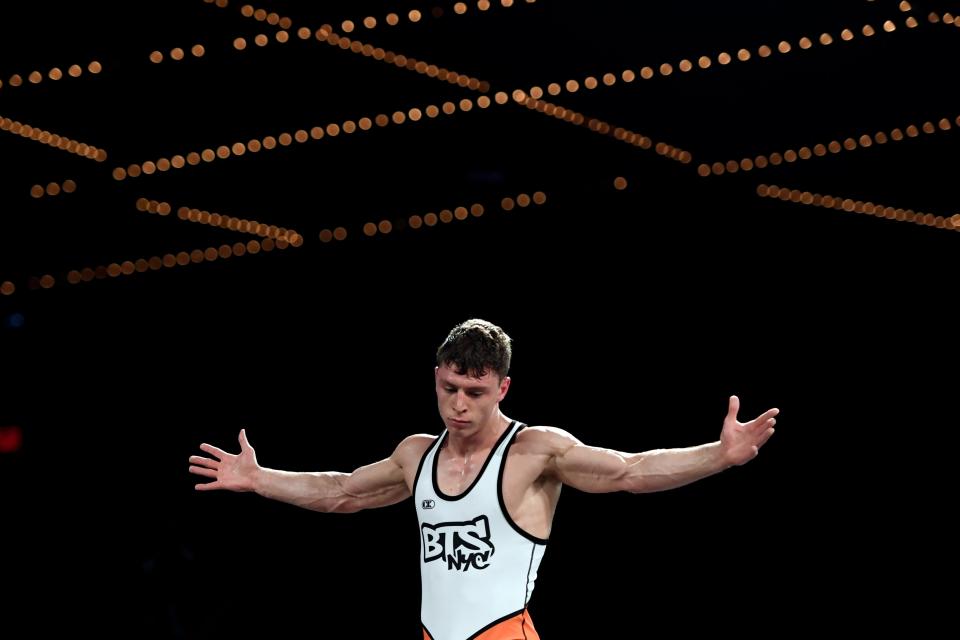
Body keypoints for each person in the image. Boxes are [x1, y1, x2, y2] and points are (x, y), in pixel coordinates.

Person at [189, 318, 778, 640]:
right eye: (449, 389)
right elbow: (342, 491)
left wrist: (717, 456)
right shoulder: (415, 455)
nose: (459, 406)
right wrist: (262, 479)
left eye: (475, 393)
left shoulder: (535, 451)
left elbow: (630, 471)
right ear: (436, 377)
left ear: (502, 389)